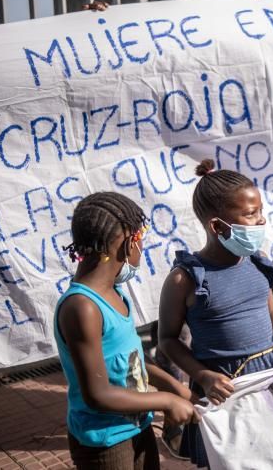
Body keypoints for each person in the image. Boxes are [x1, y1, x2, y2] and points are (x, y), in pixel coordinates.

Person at [158, 160, 273, 468]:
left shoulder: (259, 262)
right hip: (223, 388)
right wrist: (203, 376)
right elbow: (167, 340)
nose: (260, 221)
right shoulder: (184, 279)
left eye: (260, 212)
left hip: (269, 377)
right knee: (234, 459)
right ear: (217, 226)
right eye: (250, 214)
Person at [55, 192, 198, 470]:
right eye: (141, 238)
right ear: (128, 241)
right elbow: (98, 395)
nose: (142, 247)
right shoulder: (82, 308)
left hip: (137, 425)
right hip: (106, 442)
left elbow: (133, 359)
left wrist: (175, 388)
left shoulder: (116, 293)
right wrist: (166, 401)